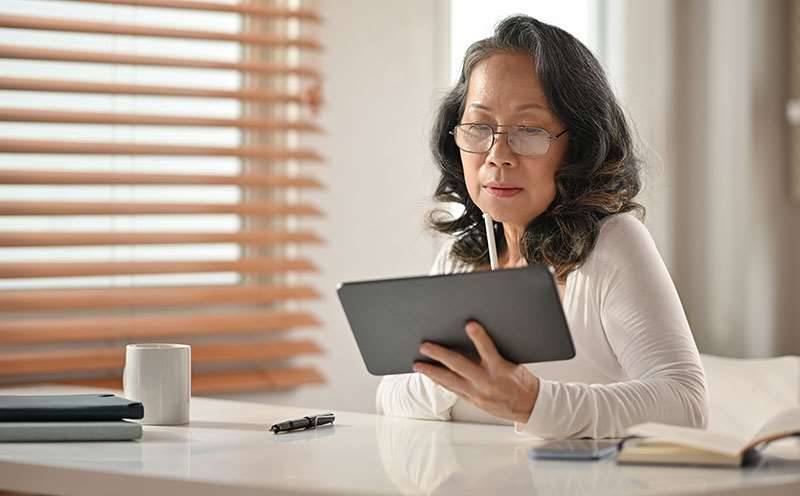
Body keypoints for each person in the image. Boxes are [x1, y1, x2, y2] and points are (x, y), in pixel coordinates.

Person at [375, 15, 708, 439]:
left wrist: (533, 402)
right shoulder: (462, 257)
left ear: (579, 147)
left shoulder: (612, 245)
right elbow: (390, 396)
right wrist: (462, 374)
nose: (498, 155)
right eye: (479, 128)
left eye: (529, 130)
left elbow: (685, 405)